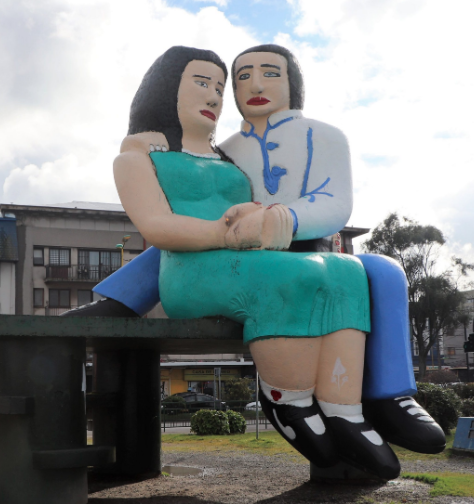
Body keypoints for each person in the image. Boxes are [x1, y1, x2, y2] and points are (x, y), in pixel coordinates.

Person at [70, 44, 445, 459]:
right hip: (241, 255)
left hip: (304, 243)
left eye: (269, 73)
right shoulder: (225, 149)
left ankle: (384, 396)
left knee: (383, 272)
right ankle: (290, 397)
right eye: (243, 76)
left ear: (292, 82)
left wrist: (283, 218)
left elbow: (336, 201)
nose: (255, 85)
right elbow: (181, 220)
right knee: (284, 274)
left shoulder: (321, 136)